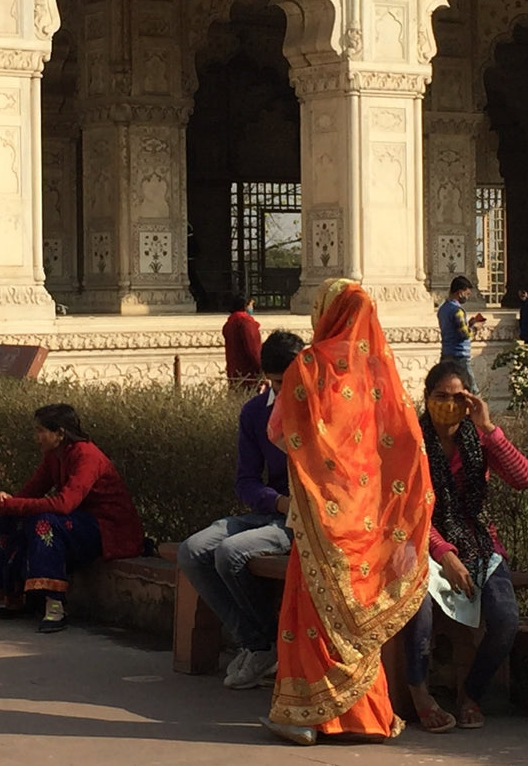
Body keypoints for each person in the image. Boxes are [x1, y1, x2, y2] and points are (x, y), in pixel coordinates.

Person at [260, 279, 431, 746]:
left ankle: (303, 717)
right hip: (367, 522)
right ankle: (365, 717)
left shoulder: (308, 367)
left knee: (309, 614)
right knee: (356, 616)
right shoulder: (380, 372)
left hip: (320, 516)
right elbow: (405, 447)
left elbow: (279, 434)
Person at [400, 361, 528, 732]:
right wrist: (444, 554)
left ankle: (470, 694)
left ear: (470, 399)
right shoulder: (411, 442)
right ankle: (420, 692)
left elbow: (524, 479)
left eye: (457, 397)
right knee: (418, 607)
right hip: (420, 545)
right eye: (440, 396)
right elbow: (410, 511)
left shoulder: (478, 439)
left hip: (479, 542)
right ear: (426, 399)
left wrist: (489, 428)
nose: (448, 404)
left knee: (506, 619)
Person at [178, 331, 305, 689]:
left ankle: (259, 644)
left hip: (305, 521)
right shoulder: (254, 412)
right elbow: (246, 481)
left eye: (290, 381)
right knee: (193, 550)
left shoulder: (323, 412)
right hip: (273, 510)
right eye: (277, 383)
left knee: (231, 553)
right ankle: (257, 642)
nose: (283, 390)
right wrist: (278, 502)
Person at [0, 404, 145, 632]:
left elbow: (65, 503)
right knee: (6, 519)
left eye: (41, 431)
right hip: (76, 522)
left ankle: (55, 605)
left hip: (106, 528)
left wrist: (12, 504)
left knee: (44, 523)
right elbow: (30, 492)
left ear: (60, 433)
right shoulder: (54, 456)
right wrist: (3, 503)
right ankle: (16, 596)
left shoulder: (87, 456)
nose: (36, 437)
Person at [438, 275, 484, 391]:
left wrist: (469, 323)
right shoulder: (457, 310)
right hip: (459, 356)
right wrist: (475, 327)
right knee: (472, 390)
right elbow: (464, 334)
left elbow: (453, 329)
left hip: (446, 353)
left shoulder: (443, 308)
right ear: (460, 292)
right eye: (467, 294)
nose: (467, 297)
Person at [223, 294, 262, 388]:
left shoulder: (230, 323)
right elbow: (253, 350)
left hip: (234, 371)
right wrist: (261, 369)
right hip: (249, 374)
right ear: (245, 306)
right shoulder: (245, 323)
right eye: (251, 305)